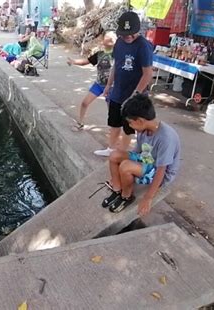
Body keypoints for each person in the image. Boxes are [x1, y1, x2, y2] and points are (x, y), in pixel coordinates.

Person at [101, 94, 181, 216]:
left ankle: (126, 197)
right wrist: (120, 171)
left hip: (160, 172)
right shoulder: (143, 130)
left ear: (140, 121)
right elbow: (137, 152)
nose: (130, 126)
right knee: (114, 155)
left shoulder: (166, 138)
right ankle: (117, 189)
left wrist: (148, 197)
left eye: (130, 123)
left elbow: (162, 170)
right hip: (147, 160)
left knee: (125, 166)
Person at [94, 11, 154, 157]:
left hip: (134, 94)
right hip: (118, 91)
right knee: (114, 123)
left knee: (129, 127)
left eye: (130, 34)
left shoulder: (144, 46)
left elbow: (148, 74)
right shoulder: (119, 43)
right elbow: (117, 65)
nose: (127, 37)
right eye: (124, 34)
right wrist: (109, 85)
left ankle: (121, 154)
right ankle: (111, 149)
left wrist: (135, 95)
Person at [67, 31, 117, 131]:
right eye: (107, 37)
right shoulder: (99, 54)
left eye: (111, 38)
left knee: (112, 111)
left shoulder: (117, 54)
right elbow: (86, 62)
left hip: (111, 87)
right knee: (85, 103)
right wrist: (74, 62)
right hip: (98, 84)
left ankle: (114, 131)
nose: (108, 39)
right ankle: (80, 123)